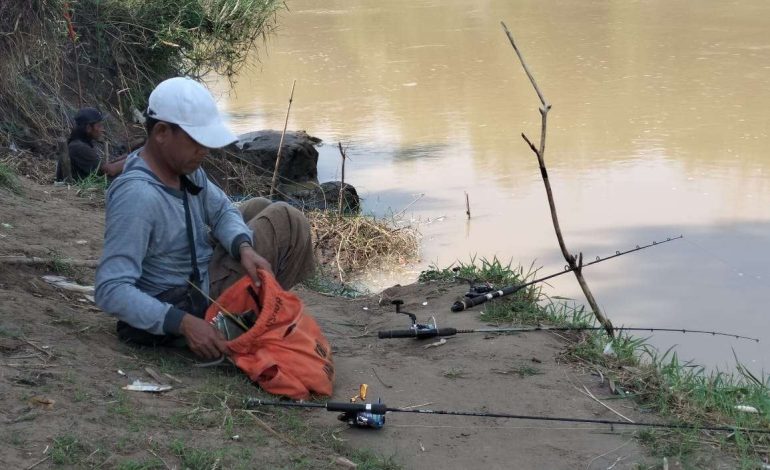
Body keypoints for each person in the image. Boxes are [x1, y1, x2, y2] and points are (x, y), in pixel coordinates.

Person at [95, 77, 315, 360]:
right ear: (161, 132)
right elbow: (111, 289)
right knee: (287, 219)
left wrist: (244, 248)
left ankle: (258, 309)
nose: (205, 151)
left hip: (197, 277)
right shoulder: (139, 196)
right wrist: (184, 323)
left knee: (258, 206)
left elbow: (223, 210)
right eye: (196, 142)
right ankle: (243, 325)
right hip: (186, 302)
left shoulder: (184, 170)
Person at [56, 107, 127, 181]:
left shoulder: (79, 144)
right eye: (99, 126)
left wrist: (132, 155)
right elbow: (109, 170)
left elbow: (103, 165)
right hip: (77, 189)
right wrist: (136, 157)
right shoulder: (79, 147)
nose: (102, 129)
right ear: (88, 128)